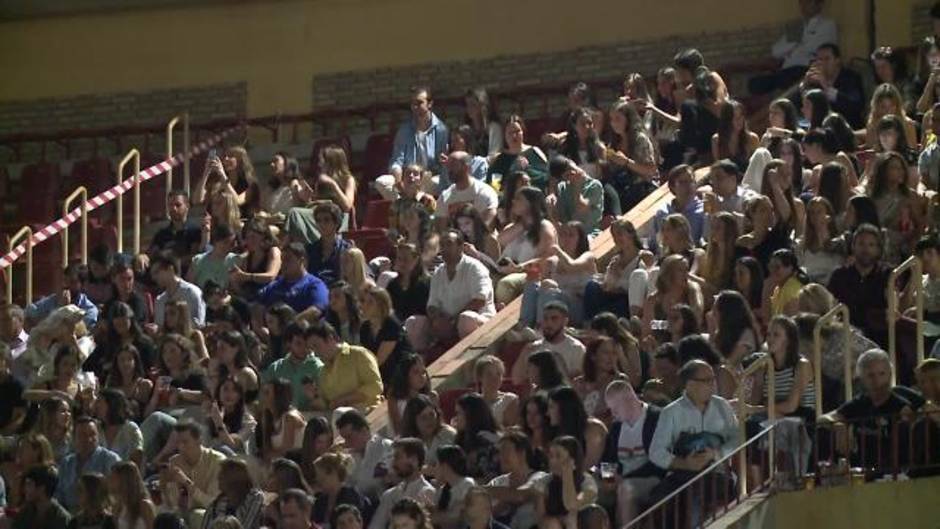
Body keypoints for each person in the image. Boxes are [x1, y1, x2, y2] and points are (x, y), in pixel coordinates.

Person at [648, 360, 739, 509]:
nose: (713, 384)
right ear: (689, 384)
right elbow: (656, 452)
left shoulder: (722, 406)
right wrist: (684, 464)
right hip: (682, 474)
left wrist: (716, 454)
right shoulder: (671, 412)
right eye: (706, 380)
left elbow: (737, 438)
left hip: (717, 473)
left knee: (703, 491)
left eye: (713, 379)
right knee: (660, 498)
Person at [823, 349, 914, 471]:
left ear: (890, 374)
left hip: (891, 471)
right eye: (870, 375)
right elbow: (823, 418)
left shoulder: (900, 405)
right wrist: (838, 425)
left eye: (882, 374)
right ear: (861, 378)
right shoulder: (860, 402)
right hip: (859, 469)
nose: (877, 381)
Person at [600, 380, 663, 526]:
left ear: (630, 400)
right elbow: (608, 459)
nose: (613, 413)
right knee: (591, 492)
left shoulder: (656, 418)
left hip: (652, 478)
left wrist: (623, 478)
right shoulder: (616, 428)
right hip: (621, 479)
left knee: (626, 489)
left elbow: (660, 462)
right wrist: (608, 479)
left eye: (615, 408)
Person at [420, 230, 495, 347]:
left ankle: (467, 361)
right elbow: (432, 305)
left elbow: (479, 300)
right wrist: (438, 319)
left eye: (449, 244)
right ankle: (419, 362)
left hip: (478, 322)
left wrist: (453, 321)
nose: (444, 249)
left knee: (466, 319)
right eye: (442, 245)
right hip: (447, 325)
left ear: (460, 247)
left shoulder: (475, 268)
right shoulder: (438, 273)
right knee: (415, 323)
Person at [376, 86, 449, 201]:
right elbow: (397, 161)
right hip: (408, 177)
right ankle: (407, 203)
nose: (415, 107)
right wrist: (399, 181)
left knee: (443, 183)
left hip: (428, 178)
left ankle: (412, 203)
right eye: (413, 104)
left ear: (430, 104)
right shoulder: (404, 131)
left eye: (419, 103)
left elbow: (442, 164)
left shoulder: (441, 130)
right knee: (381, 182)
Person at [749, 0, 837, 94]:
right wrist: (797, 43)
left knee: (789, 78)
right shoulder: (797, 27)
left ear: (819, 4)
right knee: (754, 83)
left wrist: (791, 49)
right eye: (801, 2)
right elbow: (776, 51)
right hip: (786, 70)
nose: (803, 6)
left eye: (808, 2)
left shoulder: (827, 25)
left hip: (805, 69)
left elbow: (812, 48)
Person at [827, 224, 891, 344]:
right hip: (845, 339)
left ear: (878, 249)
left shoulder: (887, 275)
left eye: (871, 245)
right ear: (853, 247)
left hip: (879, 340)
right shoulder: (839, 276)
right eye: (861, 244)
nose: (865, 249)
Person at [306, 319, 383, 412]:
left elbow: (375, 386)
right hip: (341, 422)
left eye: (316, 346)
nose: (315, 353)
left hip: (370, 416)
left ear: (330, 338)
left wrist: (343, 400)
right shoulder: (323, 372)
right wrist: (314, 396)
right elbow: (327, 405)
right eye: (312, 349)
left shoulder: (358, 354)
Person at [511, 301, 586, 385]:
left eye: (554, 318)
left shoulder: (576, 348)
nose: (548, 323)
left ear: (565, 321)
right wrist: (524, 354)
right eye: (545, 318)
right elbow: (516, 380)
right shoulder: (533, 348)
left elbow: (579, 382)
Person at [368, 438, 436, 529]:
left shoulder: (426, 492)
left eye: (397, 457)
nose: (393, 463)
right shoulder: (389, 495)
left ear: (413, 460)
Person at [56, 416, 121, 511]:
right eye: (83, 435)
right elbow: (59, 494)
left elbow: (117, 494)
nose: (89, 439)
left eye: (92, 434)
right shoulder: (66, 463)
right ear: (74, 438)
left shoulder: (110, 460)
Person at [531, 436, 597, 529]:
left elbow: (571, 505)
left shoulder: (587, 482)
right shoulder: (543, 482)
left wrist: (567, 474)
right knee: (553, 523)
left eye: (558, 456)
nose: (552, 461)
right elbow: (541, 520)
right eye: (551, 456)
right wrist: (560, 520)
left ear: (573, 460)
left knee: (572, 517)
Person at [800, 43, 865, 128]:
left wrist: (826, 87)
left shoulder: (850, 77)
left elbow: (855, 105)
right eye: (819, 59)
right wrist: (804, 85)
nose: (822, 63)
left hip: (848, 126)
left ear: (837, 60)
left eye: (827, 59)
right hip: (821, 127)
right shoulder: (815, 80)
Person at [256, 243, 328, 317]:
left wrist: (293, 324)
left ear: (301, 261)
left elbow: (316, 310)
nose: (283, 263)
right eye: (282, 259)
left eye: (288, 259)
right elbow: (258, 305)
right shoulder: (275, 284)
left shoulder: (314, 284)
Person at [336, 409, 393, 500]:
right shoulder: (350, 457)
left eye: (349, 437)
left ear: (364, 431)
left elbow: (373, 482)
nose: (347, 443)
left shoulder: (386, 447)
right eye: (344, 439)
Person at [360, 285, 412, 384]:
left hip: (402, 375)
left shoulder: (391, 325)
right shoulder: (365, 328)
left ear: (381, 306)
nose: (364, 306)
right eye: (363, 301)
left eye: (370, 302)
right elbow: (365, 355)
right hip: (380, 375)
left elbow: (379, 360)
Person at [26, 262, 99, 329]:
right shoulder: (54, 300)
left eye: (71, 282)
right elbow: (29, 311)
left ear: (82, 285)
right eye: (65, 280)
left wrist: (63, 309)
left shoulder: (89, 310)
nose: (65, 285)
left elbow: (73, 331)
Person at [488, 115, 549, 190]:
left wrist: (528, 169)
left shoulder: (535, 152)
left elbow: (547, 176)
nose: (514, 136)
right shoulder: (500, 161)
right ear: (504, 135)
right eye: (510, 133)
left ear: (523, 132)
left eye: (517, 131)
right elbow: (495, 187)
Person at [201, 459, 265, 529]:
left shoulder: (255, 497)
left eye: (223, 474)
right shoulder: (216, 504)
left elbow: (246, 525)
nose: (218, 478)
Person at [439, 151, 499, 227]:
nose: (449, 170)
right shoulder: (445, 196)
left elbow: (488, 226)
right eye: (448, 166)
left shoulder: (485, 193)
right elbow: (440, 230)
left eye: (453, 165)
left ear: (466, 167)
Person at [310, 453, 368, 528]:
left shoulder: (351, 496)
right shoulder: (321, 500)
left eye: (321, 478)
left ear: (333, 474)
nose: (317, 479)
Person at [653, 165, 705, 246]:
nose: (688, 186)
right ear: (672, 187)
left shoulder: (704, 210)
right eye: (682, 182)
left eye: (691, 181)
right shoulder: (663, 213)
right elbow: (656, 242)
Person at [147, 190, 203, 265]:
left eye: (178, 205)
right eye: (170, 205)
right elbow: (151, 253)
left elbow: (194, 256)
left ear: (187, 206)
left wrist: (173, 262)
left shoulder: (195, 232)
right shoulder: (162, 234)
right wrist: (142, 257)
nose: (174, 208)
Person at [552, 156, 604, 235]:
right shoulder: (562, 187)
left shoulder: (594, 185)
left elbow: (581, 209)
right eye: (567, 173)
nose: (572, 171)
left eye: (570, 167)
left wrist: (577, 187)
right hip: (570, 234)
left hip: (590, 233)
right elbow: (563, 218)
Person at [259, 378, 307, 461]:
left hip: (296, 461)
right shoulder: (267, 417)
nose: (262, 397)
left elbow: (286, 451)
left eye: (267, 393)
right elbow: (266, 448)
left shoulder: (290, 417)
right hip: (277, 462)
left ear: (279, 396)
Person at [151, 255, 206, 328]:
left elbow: (199, 324)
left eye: (157, 272)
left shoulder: (191, 293)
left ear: (170, 269)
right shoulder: (160, 300)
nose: (154, 277)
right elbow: (159, 325)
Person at [94, 388, 144, 465]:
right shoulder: (95, 428)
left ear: (112, 405)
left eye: (99, 402)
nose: (96, 405)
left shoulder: (130, 429)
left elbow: (136, 460)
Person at [431, 445, 476, 529]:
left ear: (444, 466)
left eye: (435, 464)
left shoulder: (467, 485)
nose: (434, 469)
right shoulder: (441, 490)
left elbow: (455, 519)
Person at [188, 223, 240, 290]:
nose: (228, 247)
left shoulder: (235, 260)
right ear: (216, 241)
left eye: (231, 244)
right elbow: (190, 287)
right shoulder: (198, 260)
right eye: (225, 242)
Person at [473, 355, 520, 427]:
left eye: (498, 374)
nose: (494, 379)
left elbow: (510, 431)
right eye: (489, 374)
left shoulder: (509, 399)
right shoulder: (473, 401)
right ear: (480, 377)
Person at [108, 461, 156, 529]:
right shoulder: (118, 506)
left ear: (124, 480)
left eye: (113, 478)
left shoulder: (144, 505)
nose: (109, 480)